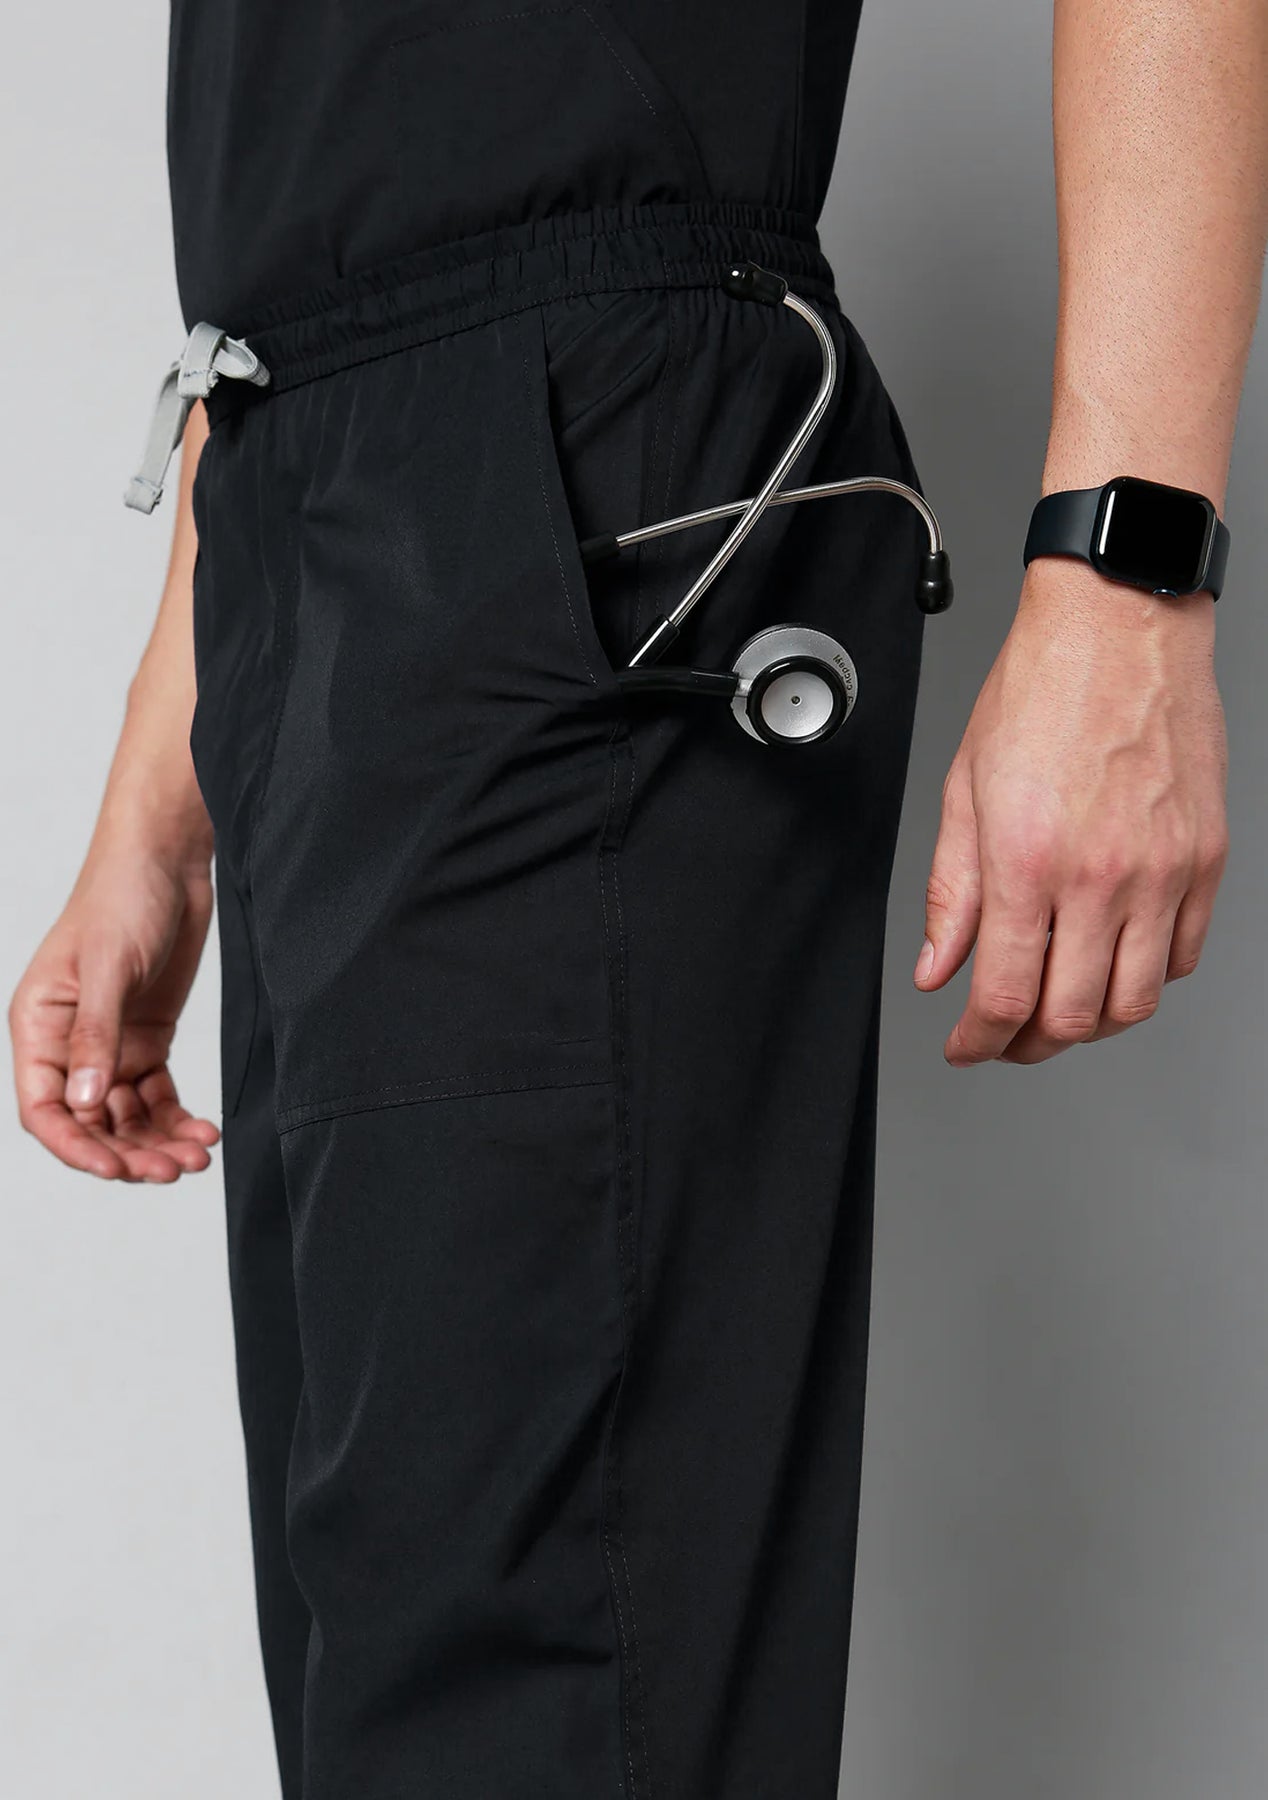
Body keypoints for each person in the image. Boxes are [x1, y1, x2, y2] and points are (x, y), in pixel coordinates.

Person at [9, 2, 1265, 1795]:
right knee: (402, 1676)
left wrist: (1127, 577)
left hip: (594, 471)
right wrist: (165, 807)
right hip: (307, 497)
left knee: (527, 1687)